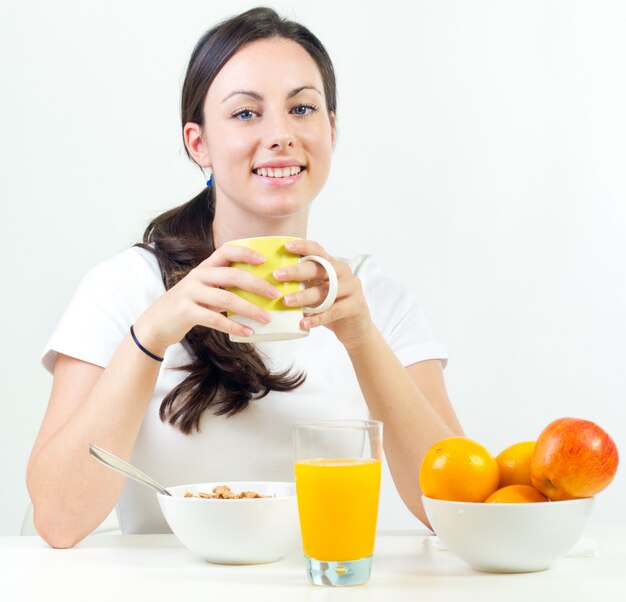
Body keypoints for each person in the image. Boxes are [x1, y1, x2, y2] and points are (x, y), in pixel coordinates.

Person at [26, 6, 463, 548]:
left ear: (331, 128)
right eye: (245, 114)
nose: (280, 135)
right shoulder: (126, 289)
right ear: (198, 142)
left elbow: (456, 513)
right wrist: (153, 332)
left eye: (302, 108)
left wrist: (362, 339)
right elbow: (57, 519)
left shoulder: (378, 301)